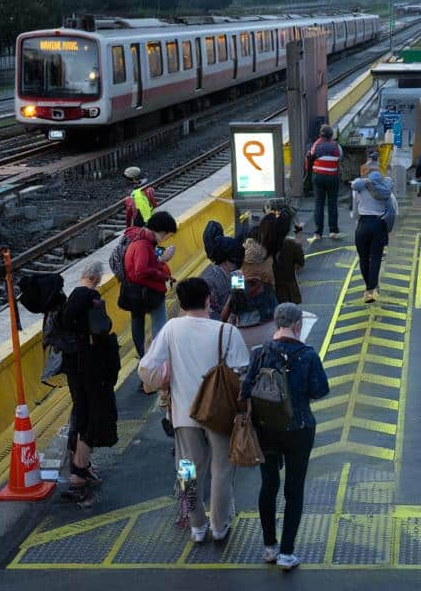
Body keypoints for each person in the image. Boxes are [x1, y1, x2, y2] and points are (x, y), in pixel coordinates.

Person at [146, 278, 250, 542]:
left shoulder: (171, 329)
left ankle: (197, 526)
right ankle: (219, 525)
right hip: (220, 412)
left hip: (184, 413)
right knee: (221, 468)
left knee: (187, 468)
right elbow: (242, 372)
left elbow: (147, 368)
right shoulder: (227, 332)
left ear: (180, 303)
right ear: (208, 300)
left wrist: (163, 383)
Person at [239, 302, 330, 570]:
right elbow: (319, 390)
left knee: (268, 485)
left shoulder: (259, 353)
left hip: (266, 429)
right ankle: (287, 553)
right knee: (294, 489)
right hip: (299, 429)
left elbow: (245, 391)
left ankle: (270, 546)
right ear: (298, 325)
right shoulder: (308, 355)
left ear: (276, 324)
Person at [55, 261, 120, 504]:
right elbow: (102, 331)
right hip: (92, 368)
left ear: (83, 275)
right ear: (98, 278)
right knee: (93, 418)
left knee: (80, 413)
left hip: (73, 368)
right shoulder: (93, 300)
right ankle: (78, 474)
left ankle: (81, 467)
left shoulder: (70, 299)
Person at [120, 210, 177, 357]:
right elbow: (141, 270)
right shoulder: (144, 245)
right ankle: (159, 355)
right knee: (160, 323)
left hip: (135, 291)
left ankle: (143, 355)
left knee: (137, 321)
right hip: (148, 291)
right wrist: (163, 275)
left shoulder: (138, 237)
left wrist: (160, 260)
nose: (166, 238)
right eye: (167, 234)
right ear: (161, 231)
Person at [351, 160, 396, 303]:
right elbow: (392, 211)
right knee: (376, 258)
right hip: (378, 223)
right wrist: (387, 228)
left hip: (363, 224)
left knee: (363, 258)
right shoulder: (386, 188)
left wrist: (358, 223)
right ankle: (372, 289)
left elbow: (355, 210)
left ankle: (368, 287)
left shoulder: (359, 187)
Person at [306, 124, 344, 241]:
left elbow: (310, 157)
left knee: (319, 204)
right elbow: (340, 159)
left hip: (319, 177)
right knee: (332, 204)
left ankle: (318, 233)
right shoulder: (337, 146)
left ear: (320, 135)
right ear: (332, 135)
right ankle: (333, 231)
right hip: (332, 177)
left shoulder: (316, 145)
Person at [200, 221, 244, 321]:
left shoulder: (237, 274)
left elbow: (240, 302)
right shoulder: (209, 281)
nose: (238, 266)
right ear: (227, 261)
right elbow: (213, 316)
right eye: (235, 262)